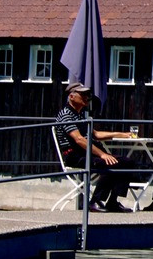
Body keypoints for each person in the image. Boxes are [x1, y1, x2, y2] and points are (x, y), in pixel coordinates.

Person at [54, 82, 137, 213]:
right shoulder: (66, 115)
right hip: (75, 156)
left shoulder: (81, 115)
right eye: (83, 95)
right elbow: (79, 139)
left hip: (87, 154)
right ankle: (95, 201)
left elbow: (96, 134)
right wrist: (102, 154)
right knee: (110, 163)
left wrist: (121, 134)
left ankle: (112, 202)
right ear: (71, 96)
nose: (87, 97)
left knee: (127, 162)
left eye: (87, 94)